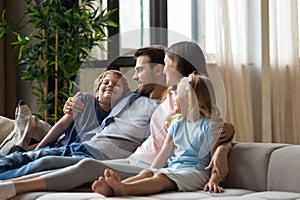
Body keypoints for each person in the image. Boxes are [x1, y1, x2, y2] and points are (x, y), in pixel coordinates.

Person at [0, 42, 233, 199]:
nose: (163, 71)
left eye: (167, 67)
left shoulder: (186, 100)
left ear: (181, 68)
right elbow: (107, 107)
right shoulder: (164, 95)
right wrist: (77, 105)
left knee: (84, 166)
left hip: (151, 168)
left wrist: (223, 146)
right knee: (47, 159)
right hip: (136, 161)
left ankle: (11, 188)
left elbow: (214, 126)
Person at [92, 73, 221, 196]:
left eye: (178, 94)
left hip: (195, 173)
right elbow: (164, 154)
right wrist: (150, 171)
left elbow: (216, 160)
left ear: (192, 99)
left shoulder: (210, 126)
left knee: (161, 178)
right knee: (147, 173)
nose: (174, 97)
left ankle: (125, 189)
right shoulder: (177, 123)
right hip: (174, 168)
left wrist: (213, 180)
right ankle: (115, 187)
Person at [35, 70, 130, 149]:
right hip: (62, 148)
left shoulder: (119, 115)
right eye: (106, 83)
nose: (110, 85)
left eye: (116, 84)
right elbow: (62, 125)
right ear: (97, 92)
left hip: (81, 154)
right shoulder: (85, 100)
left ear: (123, 96)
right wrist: (39, 147)